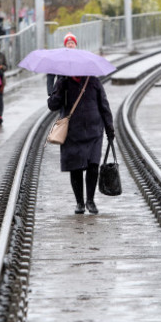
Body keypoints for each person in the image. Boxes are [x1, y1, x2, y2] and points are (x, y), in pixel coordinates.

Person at [47, 72, 114, 215]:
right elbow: (52, 106)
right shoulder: (62, 82)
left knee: (93, 166)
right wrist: (59, 89)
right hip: (72, 131)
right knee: (75, 167)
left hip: (94, 130)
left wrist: (109, 128)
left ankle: (90, 200)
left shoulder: (93, 80)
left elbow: (104, 105)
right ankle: (79, 203)